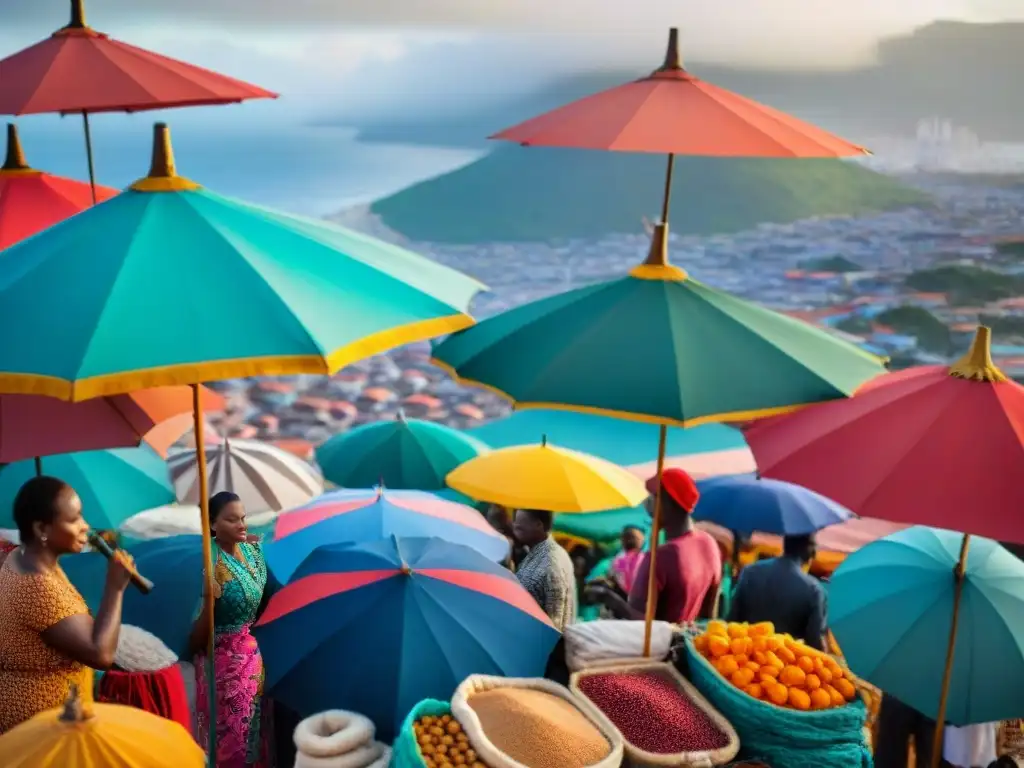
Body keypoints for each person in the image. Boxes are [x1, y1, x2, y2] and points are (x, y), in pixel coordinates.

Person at [0, 476, 132, 733]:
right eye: (74, 519)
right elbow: (100, 653)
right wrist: (115, 588)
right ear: (41, 529)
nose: (86, 527)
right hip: (39, 730)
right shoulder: (36, 585)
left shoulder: (24, 560)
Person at [190, 491, 270, 768]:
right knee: (230, 743)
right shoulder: (208, 563)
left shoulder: (253, 549)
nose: (242, 525)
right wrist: (210, 602)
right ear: (213, 525)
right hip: (223, 667)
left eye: (243, 518)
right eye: (232, 520)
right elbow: (194, 640)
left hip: (254, 659)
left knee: (255, 736)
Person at [588, 468, 721, 624]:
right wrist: (617, 591)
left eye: (654, 497)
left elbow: (642, 623)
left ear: (668, 502)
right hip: (688, 642)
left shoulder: (662, 555)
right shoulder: (709, 543)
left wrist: (608, 598)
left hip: (660, 646)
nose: (648, 505)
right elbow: (709, 616)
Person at [728, 533, 828, 650]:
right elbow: (814, 642)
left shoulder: (750, 572)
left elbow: (731, 621)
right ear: (811, 551)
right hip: (781, 664)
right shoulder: (814, 590)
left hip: (742, 657)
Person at [512, 509, 577, 631]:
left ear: (539, 525)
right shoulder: (536, 553)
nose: (515, 528)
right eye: (515, 523)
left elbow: (555, 621)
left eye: (520, 527)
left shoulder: (551, 562)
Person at [610, 525, 645, 595]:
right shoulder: (642, 557)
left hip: (624, 596)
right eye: (640, 538)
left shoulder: (619, 559)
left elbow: (619, 576)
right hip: (639, 596)